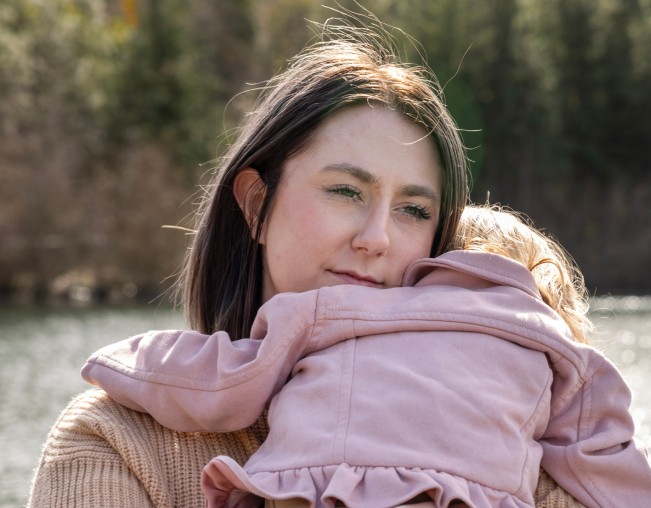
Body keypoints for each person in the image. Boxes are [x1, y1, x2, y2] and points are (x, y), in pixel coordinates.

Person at [26, 16, 589, 508]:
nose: (378, 238)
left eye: (414, 210)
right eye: (346, 191)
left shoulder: (513, 443)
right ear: (256, 206)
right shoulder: (114, 442)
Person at [79, 205, 651, 508]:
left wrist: (122, 361)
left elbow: (221, 378)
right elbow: (607, 464)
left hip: (315, 491)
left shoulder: (343, 309)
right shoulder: (558, 349)